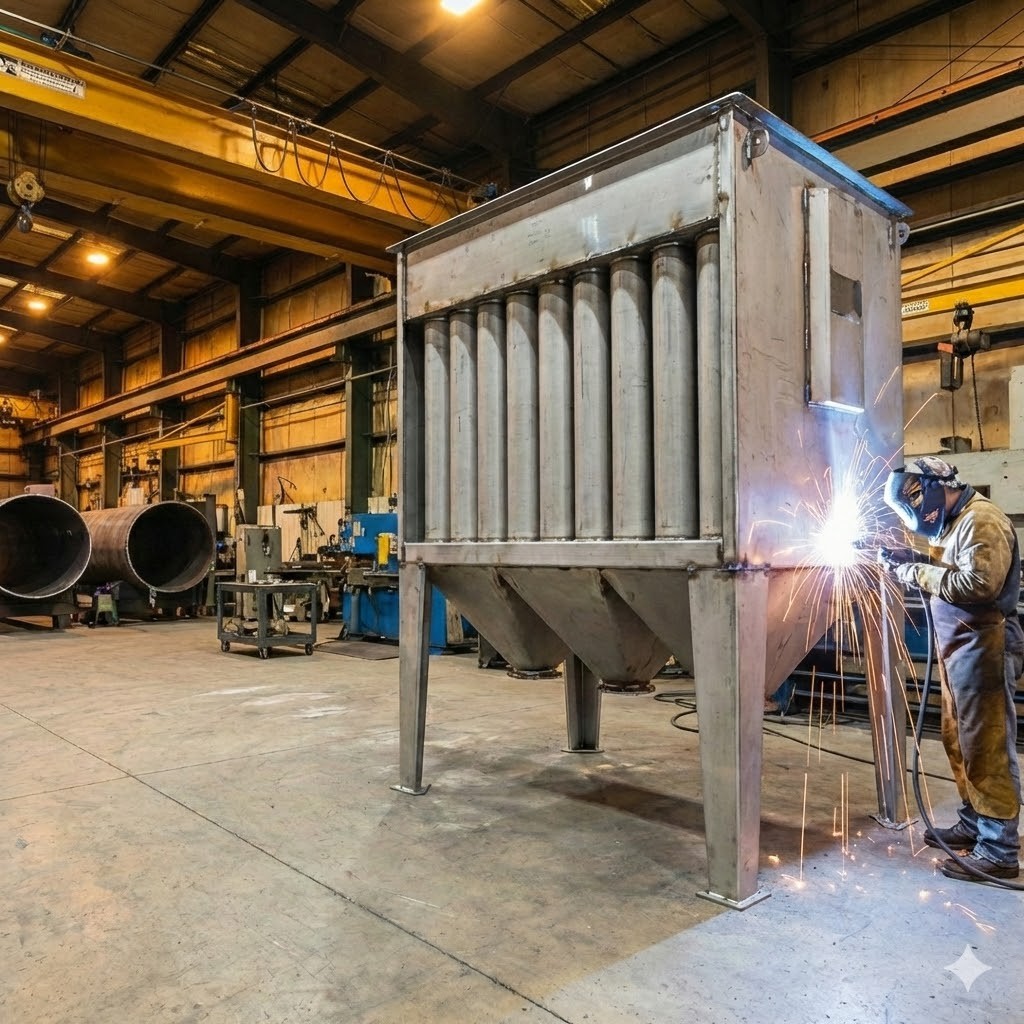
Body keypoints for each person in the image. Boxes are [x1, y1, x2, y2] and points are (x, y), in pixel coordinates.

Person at [881, 455, 1023, 882]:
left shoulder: (982, 521)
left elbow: (979, 584)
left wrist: (913, 570)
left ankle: (999, 848)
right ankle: (974, 821)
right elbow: (952, 569)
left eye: (915, 502)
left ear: (933, 490)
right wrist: (910, 556)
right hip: (959, 647)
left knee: (986, 747)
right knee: (958, 740)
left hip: (985, 644)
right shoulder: (954, 522)